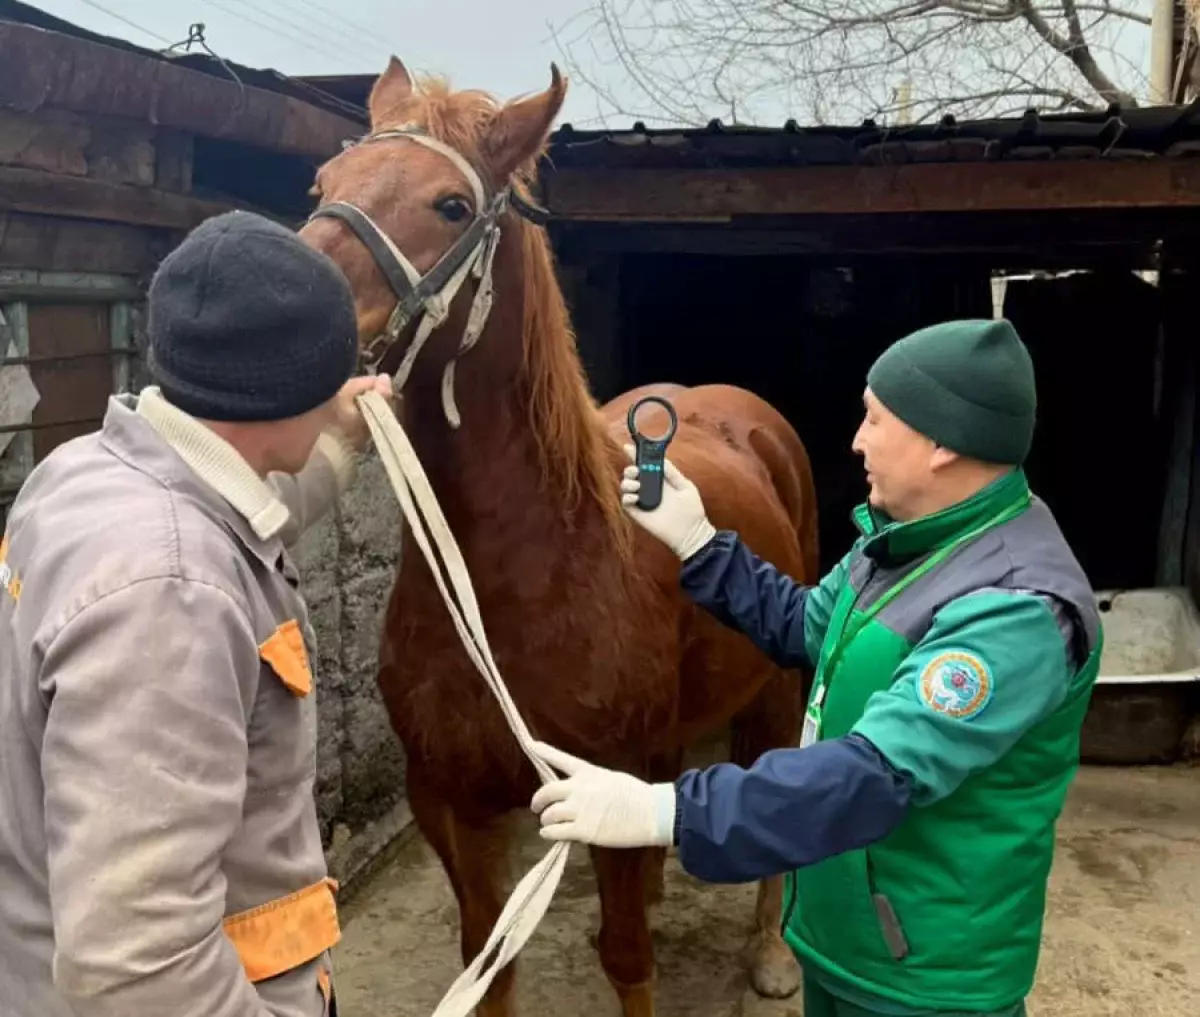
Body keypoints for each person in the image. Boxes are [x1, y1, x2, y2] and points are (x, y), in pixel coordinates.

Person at [528, 319, 1102, 1017]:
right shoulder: (900, 541)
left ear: (943, 442)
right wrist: (700, 544)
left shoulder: (1015, 611)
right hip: (844, 937)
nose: (857, 440)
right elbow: (804, 625)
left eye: (875, 419)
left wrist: (667, 808)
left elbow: (870, 775)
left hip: (925, 980)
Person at [0, 211, 391, 1017]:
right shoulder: (171, 592)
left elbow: (241, 501)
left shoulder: (87, 471)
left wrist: (338, 440)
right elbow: (140, 968)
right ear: (290, 390)